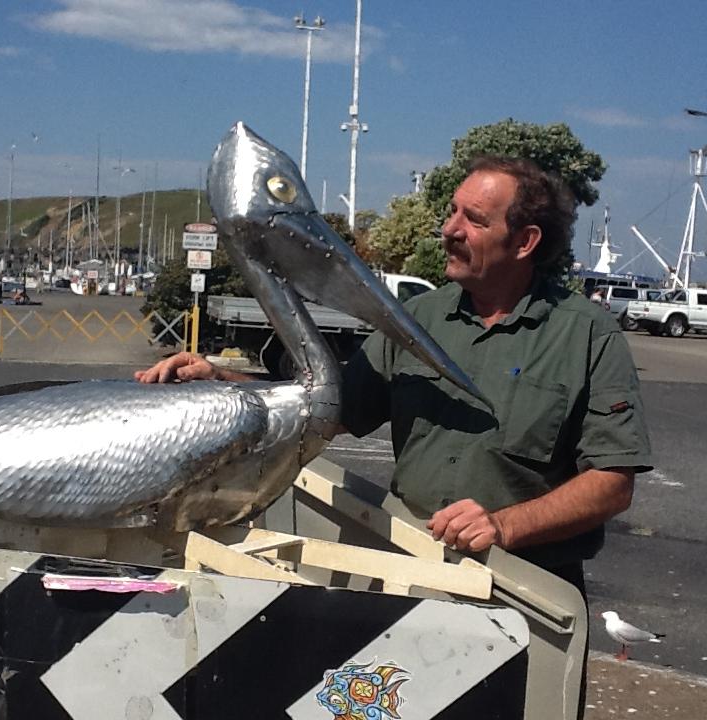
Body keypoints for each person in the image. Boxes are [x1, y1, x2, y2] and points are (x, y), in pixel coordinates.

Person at [135, 155, 651, 587]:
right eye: (452, 213)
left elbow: (611, 483)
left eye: (474, 219)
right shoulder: (418, 321)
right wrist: (222, 383)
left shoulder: (587, 335)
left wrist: (503, 525)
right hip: (418, 571)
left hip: (527, 590)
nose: (449, 230)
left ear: (524, 241)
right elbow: (328, 408)